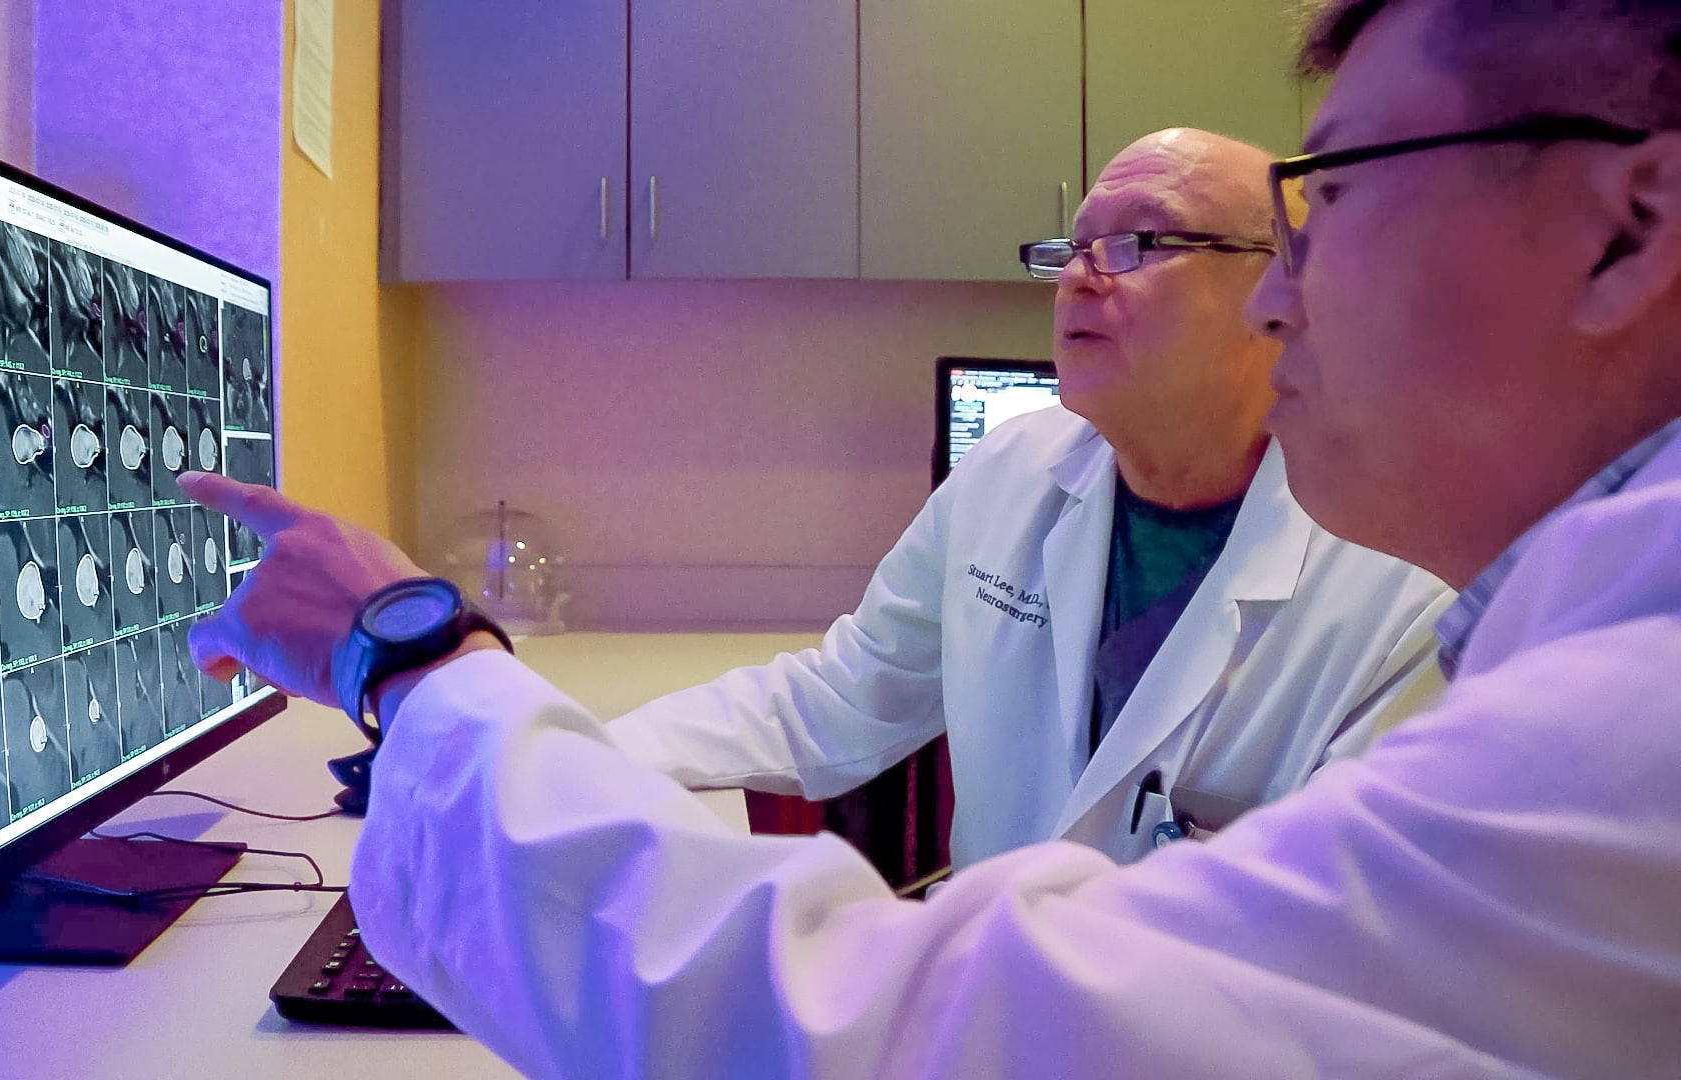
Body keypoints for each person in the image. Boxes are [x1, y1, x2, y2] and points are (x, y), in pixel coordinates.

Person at [181, 0, 1681, 1070]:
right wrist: (552, 747)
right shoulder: (1027, 475)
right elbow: (836, 702)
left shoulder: (1586, 698)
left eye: (1335, 198)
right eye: (1072, 247)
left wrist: (422, 665)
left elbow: (942, 1031)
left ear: (1629, 226)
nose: (1295, 290)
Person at [606, 128, 1450, 871]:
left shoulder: (1409, 593)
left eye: (1138, 242)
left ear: (1287, 289)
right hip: (984, 988)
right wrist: (599, 755)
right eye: (1073, 249)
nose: (1078, 279)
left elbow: (1345, 928)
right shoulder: (1010, 470)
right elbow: (842, 697)